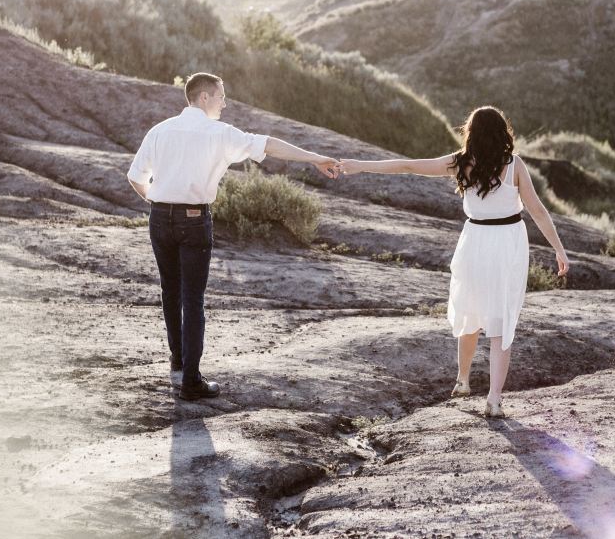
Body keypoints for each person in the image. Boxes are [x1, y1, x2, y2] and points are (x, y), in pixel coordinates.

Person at [339, 106, 569, 418]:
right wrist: (558, 248)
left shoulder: (460, 162)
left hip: (474, 241)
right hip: (507, 244)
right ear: (503, 132)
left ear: (470, 133)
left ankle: (462, 381)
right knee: (501, 319)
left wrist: (359, 166)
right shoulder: (513, 165)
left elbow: (408, 166)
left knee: (469, 310)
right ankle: (495, 399)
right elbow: (538, 211)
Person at [127, 72, 341, 400]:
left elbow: (135, 177)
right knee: (192, 298)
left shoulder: (160, 130)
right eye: (221, 96)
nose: (225, 103)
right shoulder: (220, 133)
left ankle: (178, 362)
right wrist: (313, 158)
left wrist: (156, 200)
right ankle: (191, 381)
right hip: (194, 220)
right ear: (203, 98)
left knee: (170, 290)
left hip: (159, 217)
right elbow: (268, 144)